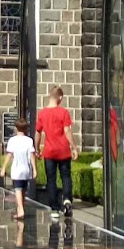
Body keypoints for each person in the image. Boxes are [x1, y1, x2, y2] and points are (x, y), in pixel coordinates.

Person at [34, 86, 79, 220]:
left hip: (49, 151)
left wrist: (37, 148)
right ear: (60, 97)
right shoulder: (63, 112)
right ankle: (66, 200)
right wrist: (74, 147)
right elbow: (67, 131)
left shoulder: (42, 113)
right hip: (63, 150)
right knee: (66, 176)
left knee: (51, 180)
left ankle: (54, 208)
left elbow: (38, 132)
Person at [2, 117, 36, 220]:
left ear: (16, 128)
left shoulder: (12, 140)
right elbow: (32, 155)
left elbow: (9, 155)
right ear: (26, 129)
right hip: (26, 169)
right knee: (23, 190)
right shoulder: (29, 140)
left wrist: (4, 167)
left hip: (16, 168)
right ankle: (20, 207)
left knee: (17, 189)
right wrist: (34, 169)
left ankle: (20, 209)